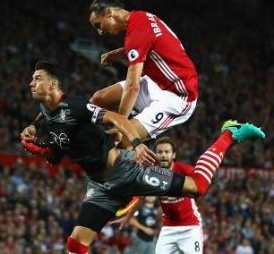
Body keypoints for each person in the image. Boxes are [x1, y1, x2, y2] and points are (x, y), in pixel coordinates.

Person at [20, 61, 264, 254]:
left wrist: (136, 144)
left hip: (125, 171)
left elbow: (115, 119)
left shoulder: (74, 106)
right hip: (100, 187)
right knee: (76, 244)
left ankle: (230, 135)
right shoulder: (47, 116)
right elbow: (56, 155)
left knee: (197, 187)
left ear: (53, 85)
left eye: (37, 78)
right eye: (32, 79)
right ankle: (128, 196)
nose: (31, 83)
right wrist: (38, 148)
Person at [88, 0, 198, 142]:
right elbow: (148, 44)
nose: (100, 31)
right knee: (97, 101)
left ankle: (117, 149)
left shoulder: (135, 34)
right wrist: (118, 53)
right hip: (156, 82)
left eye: (98, 25)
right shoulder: (140, 17)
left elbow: (132, 87)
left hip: (177, 95)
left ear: (109, 13)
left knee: (123, 140)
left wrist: (120, 123)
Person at [154, 137, 205, 253]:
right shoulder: (153, 173)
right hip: (168, 228)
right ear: (155, 155)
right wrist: (127, 217)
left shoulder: (184, 170)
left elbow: (201, 184)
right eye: (160, 152)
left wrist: (196, 199)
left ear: (173, 155)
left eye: (167, 152)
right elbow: (140, 196)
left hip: (190, 227)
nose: (163, 155)